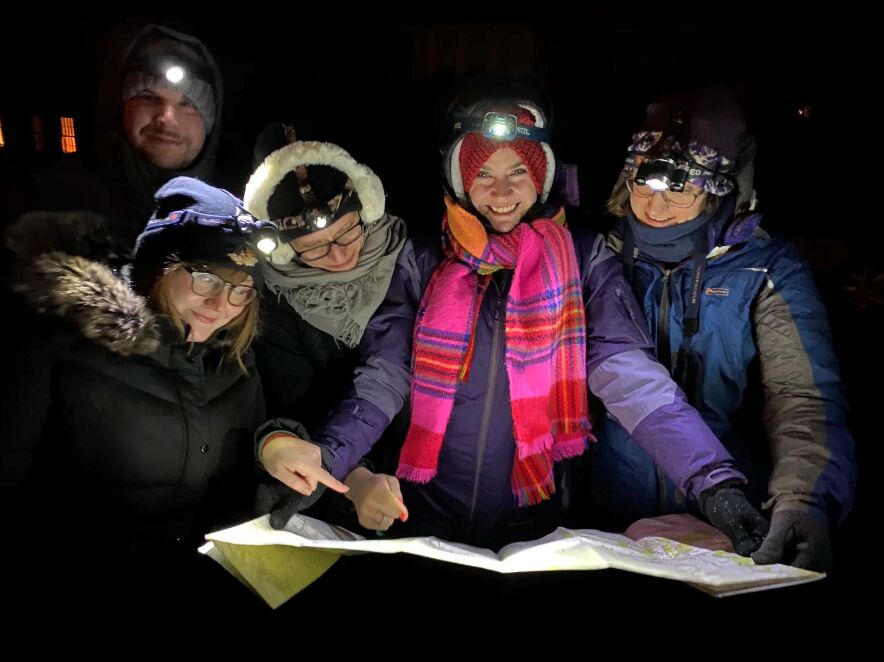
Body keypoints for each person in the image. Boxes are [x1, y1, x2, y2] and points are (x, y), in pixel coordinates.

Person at [254, 80, 770, 555]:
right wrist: (329, 457)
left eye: (518, 171)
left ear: (542, 177)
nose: (501, 193)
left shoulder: (583, 258)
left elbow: (628, 375)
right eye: (482, 173)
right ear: (459, 179)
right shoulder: (423, 260)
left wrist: (714, 482)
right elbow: (384, 375)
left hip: (537, 523)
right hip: (421, 514)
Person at [590, 86, 855, 570]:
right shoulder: (598, 258)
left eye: (680, 190)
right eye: (643, 185)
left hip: (731, 525)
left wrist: (803, 500)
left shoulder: (766, 269)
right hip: (610, 518)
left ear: (717, 190)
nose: (656, 207)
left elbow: (801, 396)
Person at [0, 177, 271, 607]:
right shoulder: (61, 345)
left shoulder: (233, 359)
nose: (222, 305)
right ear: (159, 267)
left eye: (241, 290)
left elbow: (236, 486)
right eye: (206, 279)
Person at [243, 135, 409, 522]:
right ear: (286, 250)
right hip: (349, 478)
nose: (338, 254)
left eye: (347, 231)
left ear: (367, 210)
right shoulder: (279, 305)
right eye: (313, 247)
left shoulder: (406, 259)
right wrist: (355, 476)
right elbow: (295, 406)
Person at [3, 23, 223, 257]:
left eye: (187, 104)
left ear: (209, 124)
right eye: (148, 97)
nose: (166, 118)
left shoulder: (234, 223)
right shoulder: (48, 209)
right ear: (121, 107)